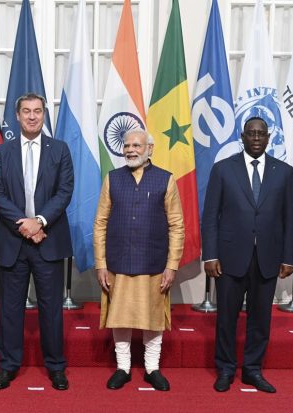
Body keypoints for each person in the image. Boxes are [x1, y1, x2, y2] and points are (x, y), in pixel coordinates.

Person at [202, 116, 293, 393]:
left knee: (260, 319)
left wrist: (288, 257)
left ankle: (253, 370)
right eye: (251, 133)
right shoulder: (222, 170)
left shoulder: (284, 172)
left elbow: (290, 218)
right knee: (226, 318)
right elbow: (210, 217)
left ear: (269, 138)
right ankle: (226, 369)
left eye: (261, 134)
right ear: (242, 137)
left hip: (268, 258)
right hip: (229, 257)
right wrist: (210, 255)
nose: (256, 138)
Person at [0, 93, 74, 390]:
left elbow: (65, 191)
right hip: (14, 242)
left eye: (38, 111)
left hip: (48, 240)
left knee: (51, 309)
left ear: (44, 115)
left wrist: (39, 222)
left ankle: (56, 367)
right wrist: (25, 225)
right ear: (18, 115)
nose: (32, 116)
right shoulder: (2, 152)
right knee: (10, 309)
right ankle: (8, 366)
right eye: (26, 111)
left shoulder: (60, 150)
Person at [93, 129, 184, 392]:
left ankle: (152, 369)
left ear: (149, 149)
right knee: (120, 317)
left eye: (136, 145)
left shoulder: (165, 180)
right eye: (127, 145)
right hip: (117, 263)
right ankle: (122, 368)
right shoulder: (112, 179)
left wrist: (172, 265)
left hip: (154, 263)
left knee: (152, 318)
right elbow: (100, 223)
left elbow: (177, 225)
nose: (131, 150)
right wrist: (101, 263)